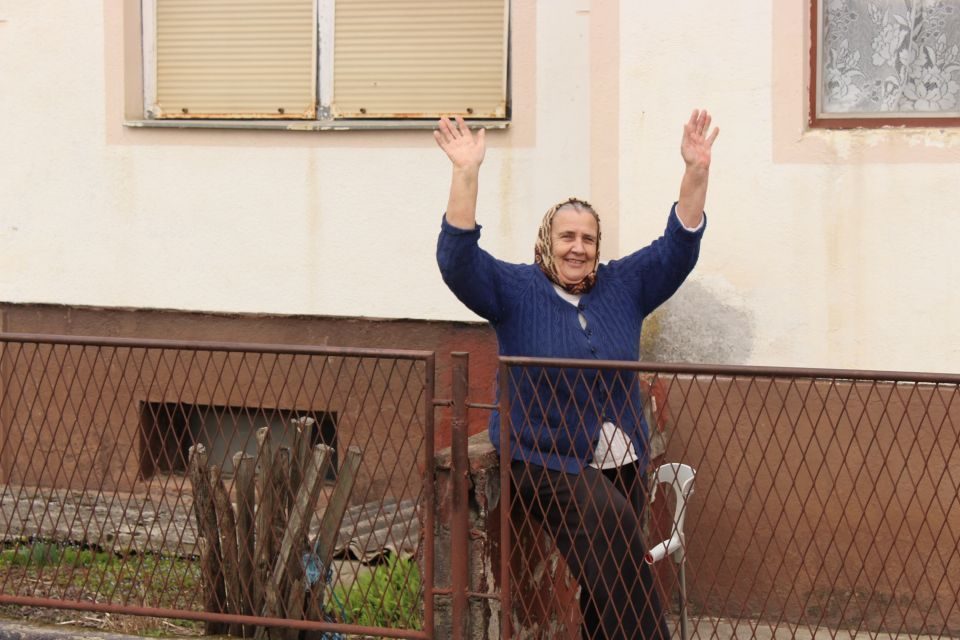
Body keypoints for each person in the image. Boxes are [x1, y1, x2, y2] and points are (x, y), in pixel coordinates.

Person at [435, 111, 718, 640]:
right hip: (543, 458)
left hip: (623, 460)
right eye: (566, 236)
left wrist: (696, 172)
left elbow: (676, 251)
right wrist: (465, 173)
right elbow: (458, 263)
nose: (578, 247)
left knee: (605, 581)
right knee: (615, 529)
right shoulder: (514, 290)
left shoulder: (623, 285)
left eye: (588, 238)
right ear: (548, 239)